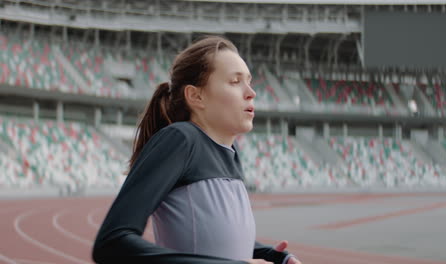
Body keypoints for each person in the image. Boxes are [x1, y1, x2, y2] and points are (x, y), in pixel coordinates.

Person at [92, 35, 301, 264]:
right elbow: (112, 243)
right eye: (235, 81)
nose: (251, 92)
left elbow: (214, 240)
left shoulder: (229, 153)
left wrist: (271, 255)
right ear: (195, 96)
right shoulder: (180, 140)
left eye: (249, 81)